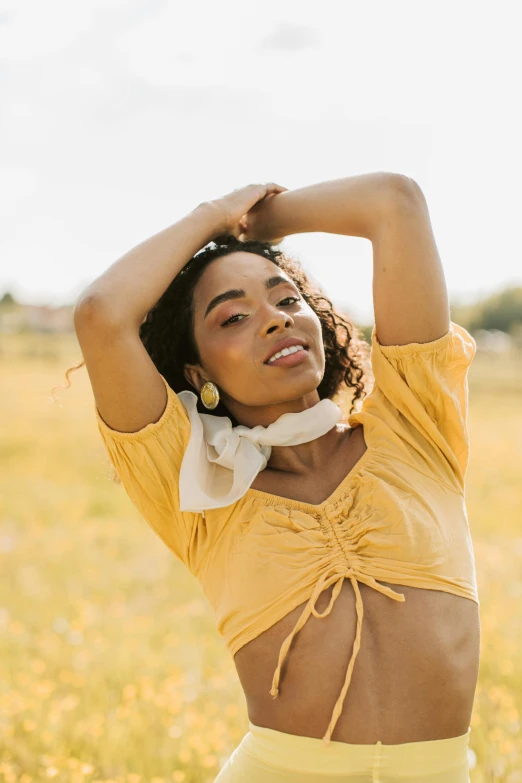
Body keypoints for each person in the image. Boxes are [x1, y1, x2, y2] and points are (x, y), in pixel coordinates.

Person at [68, 174, 479, 782]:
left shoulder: (416, 427)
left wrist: (257, 224)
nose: (274, 320)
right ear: (196, 370)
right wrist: (212, 216)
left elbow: (394, 203)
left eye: (287, 300)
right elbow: (102, 316)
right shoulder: (197, 490)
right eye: (232, 318)